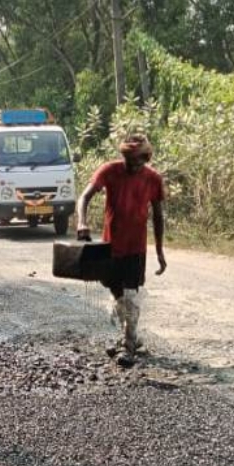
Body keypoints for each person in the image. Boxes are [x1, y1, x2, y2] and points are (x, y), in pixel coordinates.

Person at [76, 133, 166, 364]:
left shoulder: (153, 179)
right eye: (129, 161)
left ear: (146, 158)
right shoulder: (109, 171)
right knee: (117, 296)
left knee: (131, 295)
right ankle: (130, 337)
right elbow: (84, 197)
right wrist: (81, 222)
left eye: (138, 162)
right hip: (111, 246)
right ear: (123, 157)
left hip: (136, 248)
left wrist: (159, 251)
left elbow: (158, 216)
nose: (133, 167)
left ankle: (128, 346)